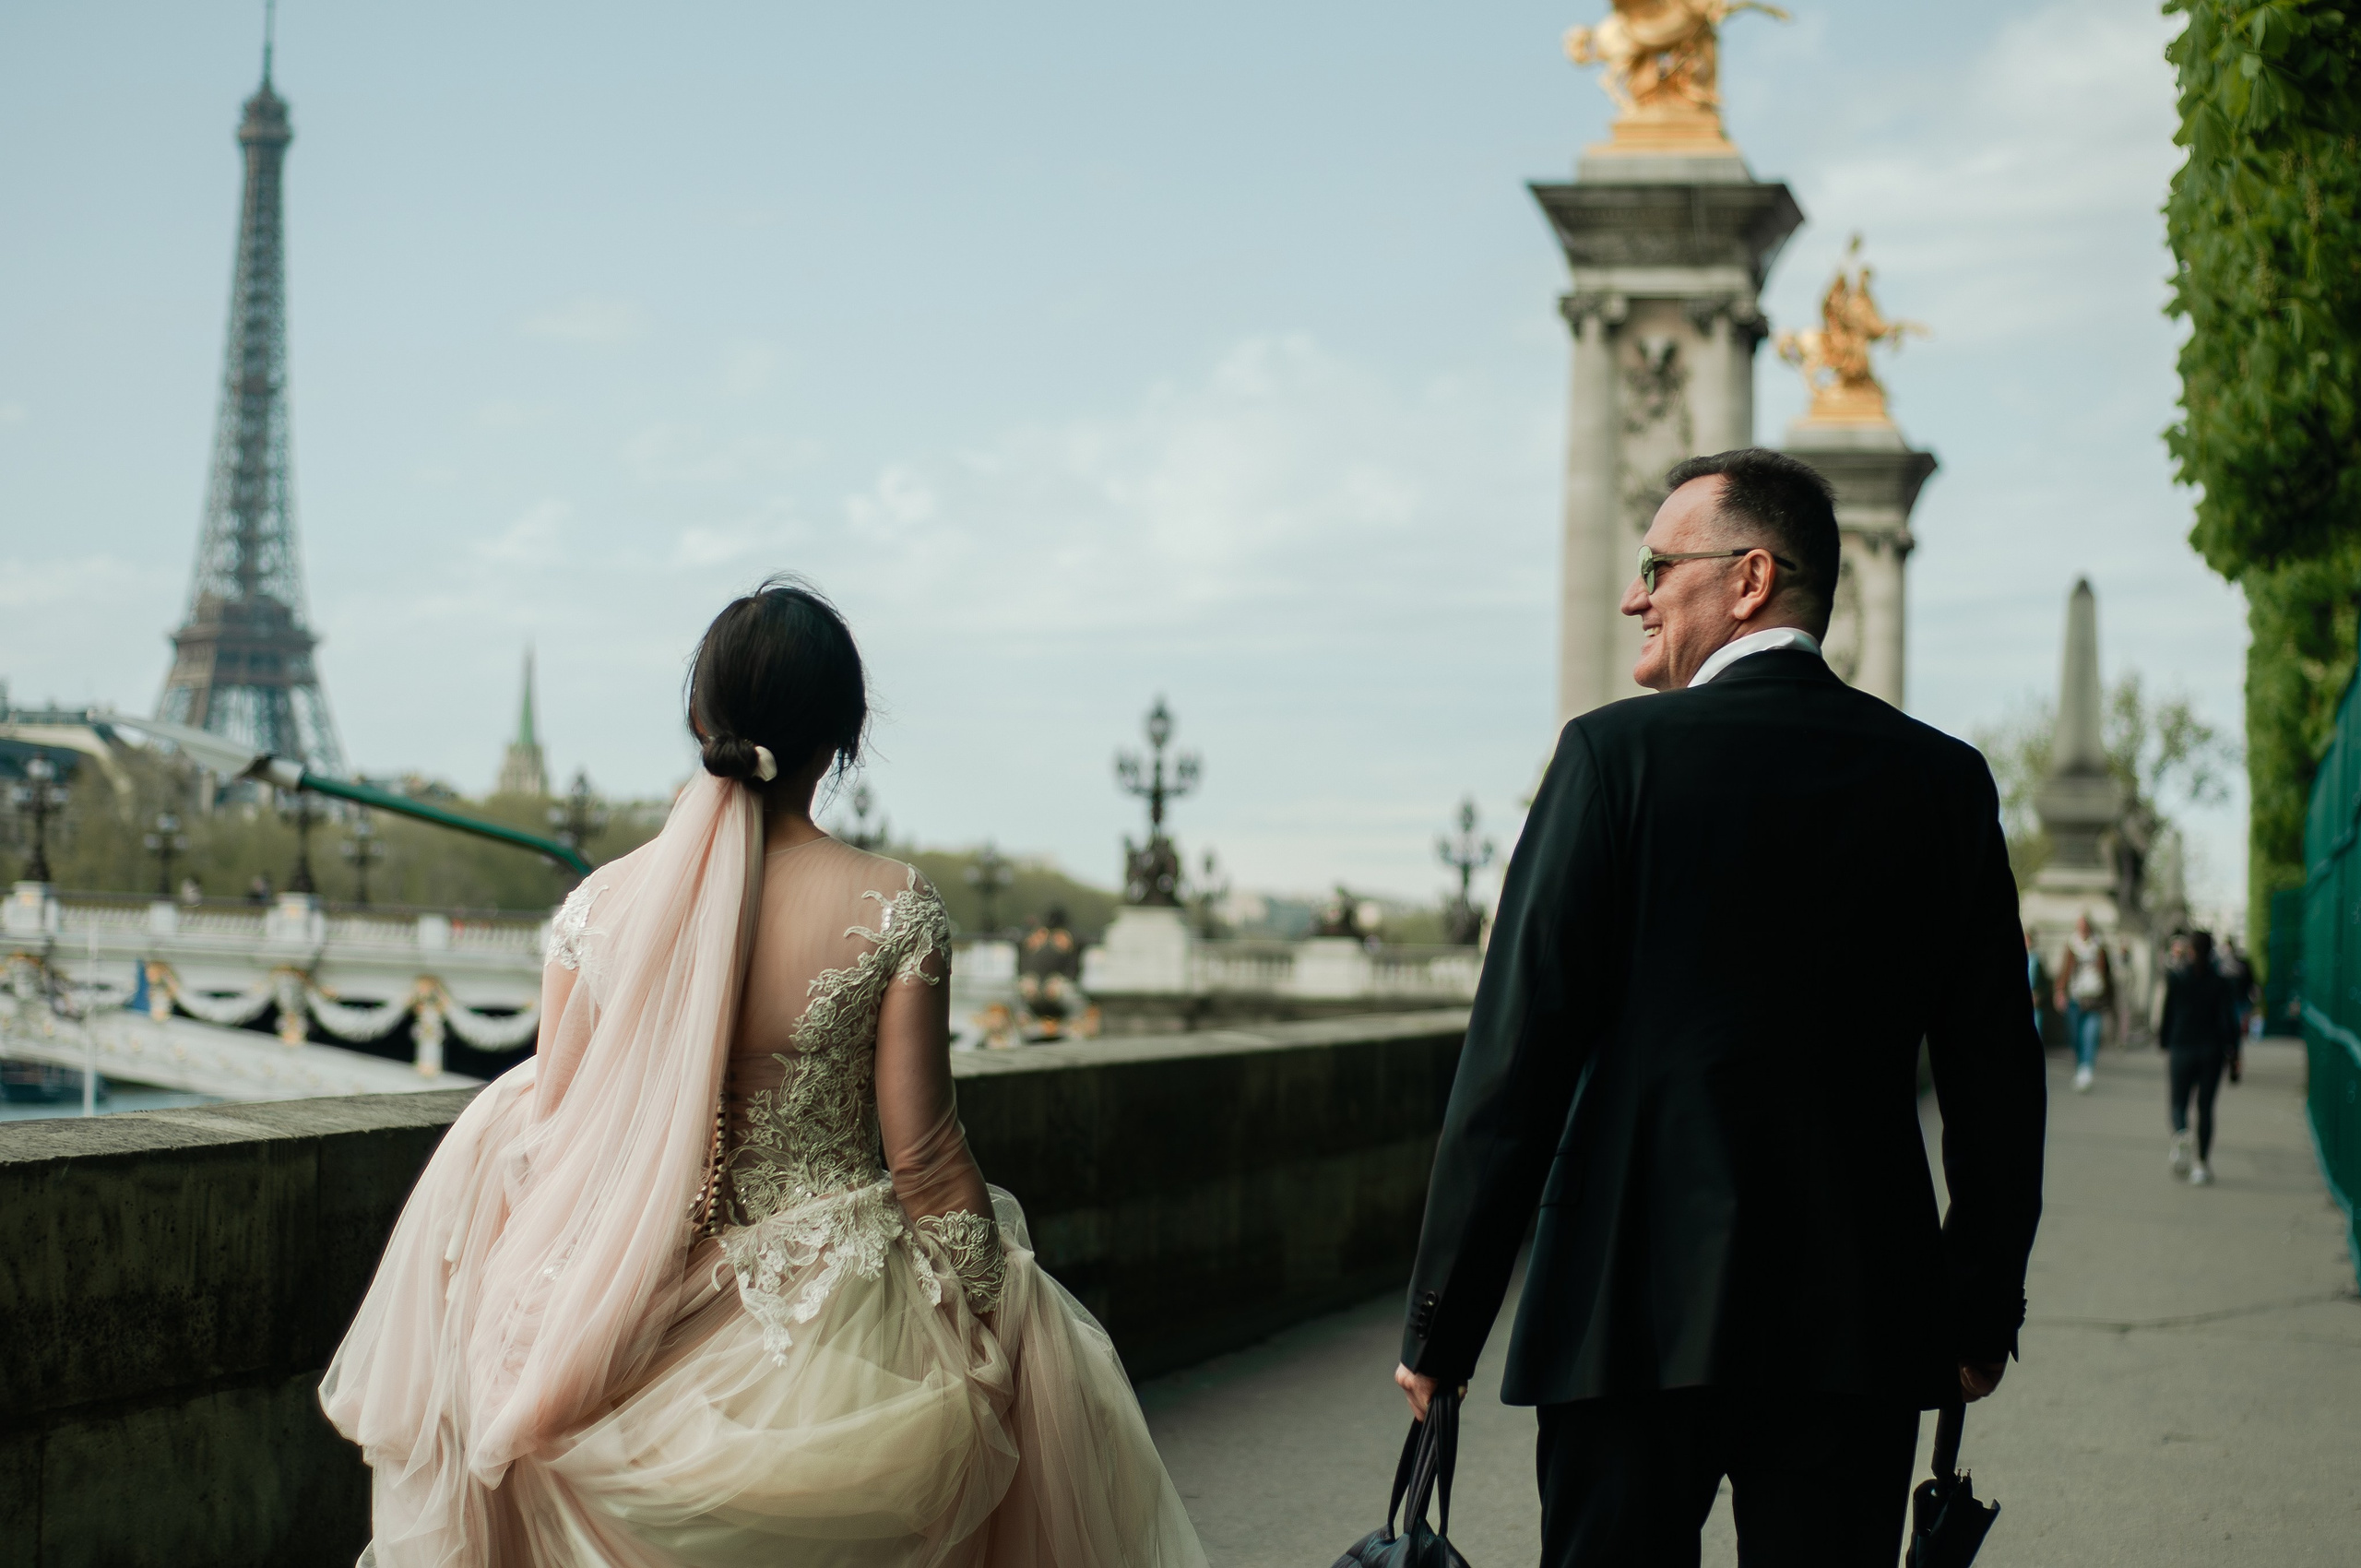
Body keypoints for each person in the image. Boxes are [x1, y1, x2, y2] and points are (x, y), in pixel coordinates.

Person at [321, 578, 1204, 1568]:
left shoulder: (596, 908)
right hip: (831, 1326)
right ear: (842, 740)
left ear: (701, 722)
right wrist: (998, 1309)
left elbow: (552, 1130)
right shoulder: (893, 906)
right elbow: (923, 1156)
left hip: (621, 1313)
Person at [1392, 449, 2047, 1568]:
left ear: (1749, 579)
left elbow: (1512, 1066)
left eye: (1656, 566)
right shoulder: (1941, 782)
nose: (1631, 594)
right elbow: (1995, 1077)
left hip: (1623, 1314)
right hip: (1856, 1319)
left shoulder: (1609, 758)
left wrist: (1443, 1323)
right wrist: (1976, 1308)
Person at [2159, 928, 2242, 1185]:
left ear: (2191, 951)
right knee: (2205, 1108)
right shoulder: (2220, 982)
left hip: (2182, 1045)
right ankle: (2202, 1164)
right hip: (2211, 1050)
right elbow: (2229, 1020)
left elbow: (2168, 1013)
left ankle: (2181, 1133)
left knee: (2178, 1103)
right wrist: (2235, 1054)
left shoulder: (2177, 978)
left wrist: (2164, 1041)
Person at [2054, 912, 2112, 1092]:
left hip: (2094, 1000)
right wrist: (2059, 991)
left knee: (2090, 1036)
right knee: (2075, 1037)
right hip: (2074, 999)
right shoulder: (2071, 946)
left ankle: (2086, 1070)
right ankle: (2080, 1065)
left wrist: (2109, 1000)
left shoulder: (2099, 947)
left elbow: (2108, 975)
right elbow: (2064, 970)